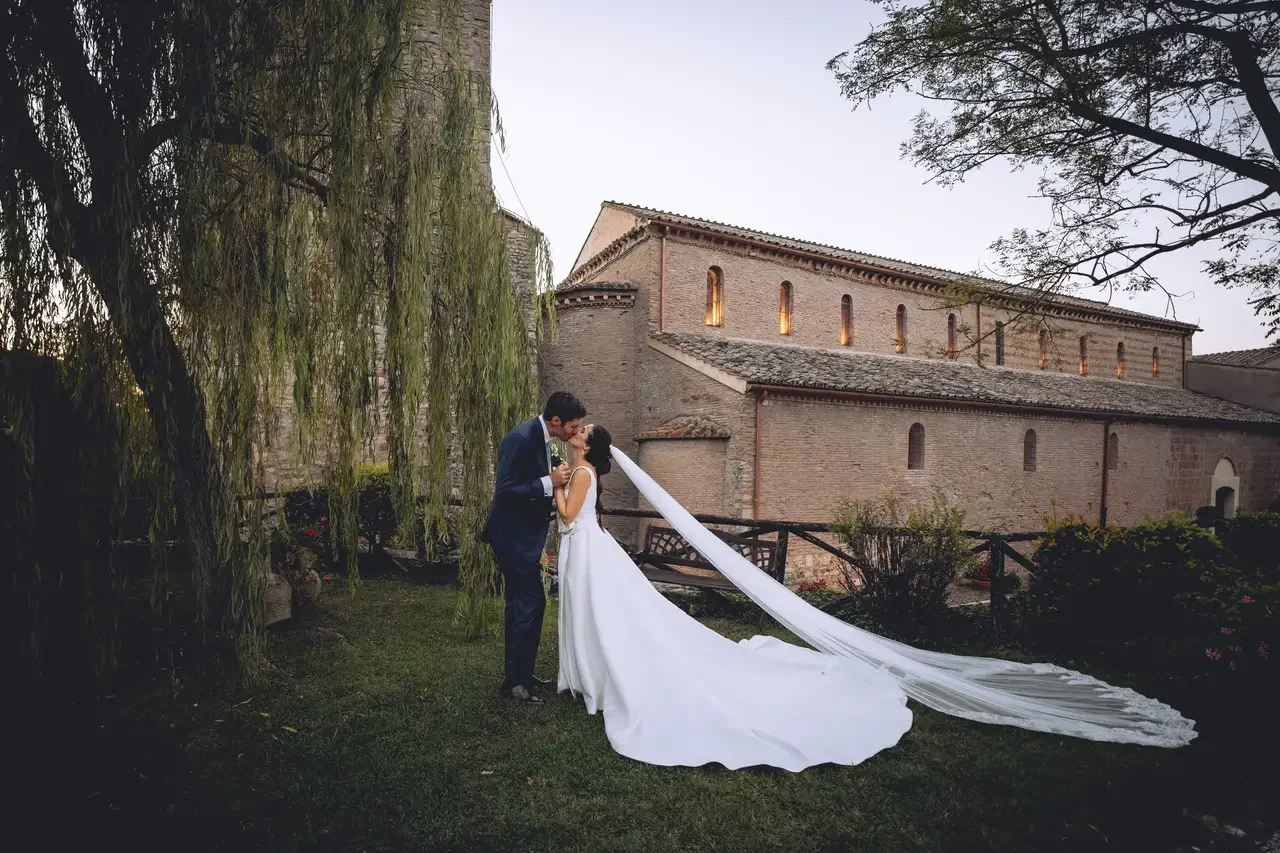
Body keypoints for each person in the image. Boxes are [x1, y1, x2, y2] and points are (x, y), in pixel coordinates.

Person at [549, 425, 1197, 771]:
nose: (573, 436)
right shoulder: (582, 465)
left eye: (577, 435)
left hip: (589, 547)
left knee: (630, 624)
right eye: (571, 433)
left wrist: (552, 485)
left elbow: (572, 510)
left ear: (589, 448)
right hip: (592, 552)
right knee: (625, 620)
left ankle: (613, 682)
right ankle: (595, 676)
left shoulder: (579, 472)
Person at [481, 392, 585, 704]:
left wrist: (551, 472)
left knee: (520, 607)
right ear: (556, 421)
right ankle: (515, 685)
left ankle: (520, 676)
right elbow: (506, 490)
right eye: (573, 426)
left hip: (523, 537)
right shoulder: (520, 438)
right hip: (512, 538)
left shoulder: (542, 437)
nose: (576, 432)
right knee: (530, 605)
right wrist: (548, 481)